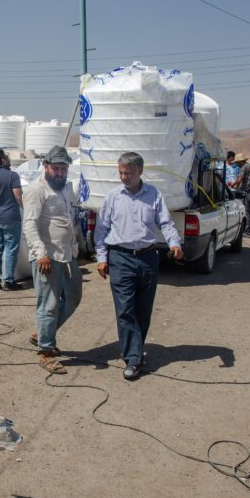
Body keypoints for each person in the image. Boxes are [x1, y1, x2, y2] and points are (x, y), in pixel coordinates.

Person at [94, 152, 184, 381]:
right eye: (121, 172)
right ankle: (133, 358)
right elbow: (101, 230)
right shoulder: (113, 197)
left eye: (129, 173)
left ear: (140, 172)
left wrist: (174, 243)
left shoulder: (153, 194)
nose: (124, 177)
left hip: (147, 258)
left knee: (143, 310)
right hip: (120, 258)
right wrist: (102, 258)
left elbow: (165, 222)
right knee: (125, 309)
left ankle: (135, 349)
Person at [22, 145, 81, 375]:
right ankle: (45, 352)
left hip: (68, 254)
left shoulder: (65, 189)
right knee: (49, 304)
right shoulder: (36, 190)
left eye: (63, 169)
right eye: (56, 168)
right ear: (46, 167)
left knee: (74, 297)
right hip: (48, 256)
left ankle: (43, 333)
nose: (59, 173)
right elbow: (29, 224)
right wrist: (41, 253)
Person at [0, 149, 24, 291]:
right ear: (3, 160)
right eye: (6, 157)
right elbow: (18, 197)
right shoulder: (13, 176)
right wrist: (26, 210)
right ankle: (8, 281)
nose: (8, 158)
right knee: (11, 250)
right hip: (11, 217)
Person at [235, 154, 250, 236]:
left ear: (241, 161)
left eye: (237, 162)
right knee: (249, 212)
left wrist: (233, 185)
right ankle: (249, 230)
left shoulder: (244, 167)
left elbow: (240, 178)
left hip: (246, 193)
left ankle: (247, 231)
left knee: (246, 212)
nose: (237, 164)